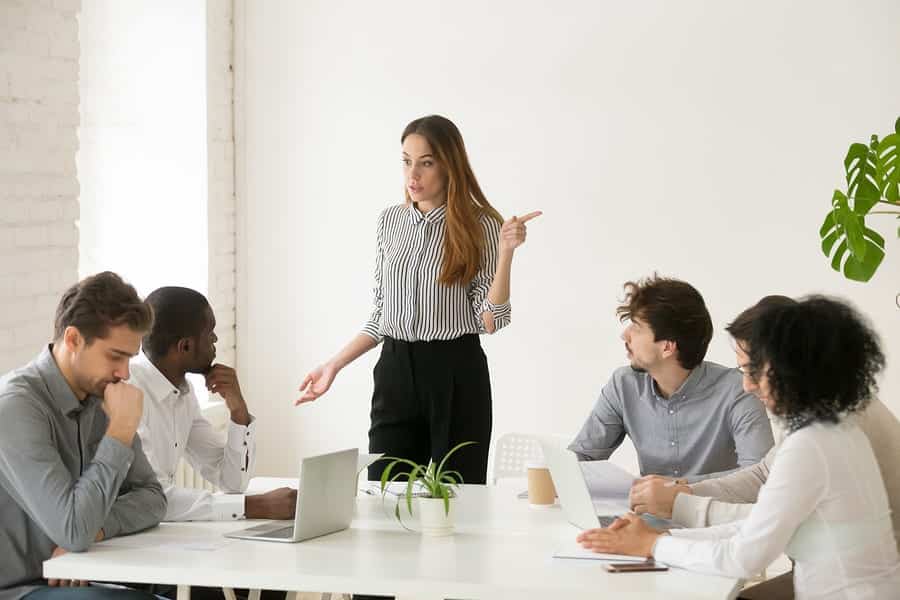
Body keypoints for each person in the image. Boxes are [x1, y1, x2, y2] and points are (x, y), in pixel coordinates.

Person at [577, 296, 900, 599]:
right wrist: (658, 536)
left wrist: (654, 543)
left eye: (750, 370)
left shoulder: (812, 445)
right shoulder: (835, 427)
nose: (746, 385)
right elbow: (759, 520)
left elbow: (743, 556)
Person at [296, 114, 540, 484]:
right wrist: (334, 365)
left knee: (458, 499)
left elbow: (491, 320)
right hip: (395, 371)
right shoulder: (389, 222)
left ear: (449, 166)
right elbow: (382, 315)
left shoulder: (482, 226)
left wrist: (507, 253)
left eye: (426, 163)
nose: (414, 175)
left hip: (456, 372)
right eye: (407, 161)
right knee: (384, 492)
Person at [0, 272, 166, 600]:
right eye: (115, 356)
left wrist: (98, 528)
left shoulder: (100, 394)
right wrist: (120, 430)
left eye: (129, 358)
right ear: (74, 339)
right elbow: (75, 531)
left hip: (82, 574)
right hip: (21, 588)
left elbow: (153, 497)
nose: (125, 373)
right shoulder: (16, 407)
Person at [569, 275, 774, 480]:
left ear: (667, 346)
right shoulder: (623, 385)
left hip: (710, 511)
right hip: (640, 513)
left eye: (636, 327)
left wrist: (672, 488)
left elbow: (758, 476)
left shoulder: (739, 390)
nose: (625, 335)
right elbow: (582, 457)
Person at [131, 287, 296, 522]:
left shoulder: (182, 393)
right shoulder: (129, 392)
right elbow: (152, 498)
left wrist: (238, 411)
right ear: (185, 346)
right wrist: (255, 506)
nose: (216, 340)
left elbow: (231, 481)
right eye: (210, 333)